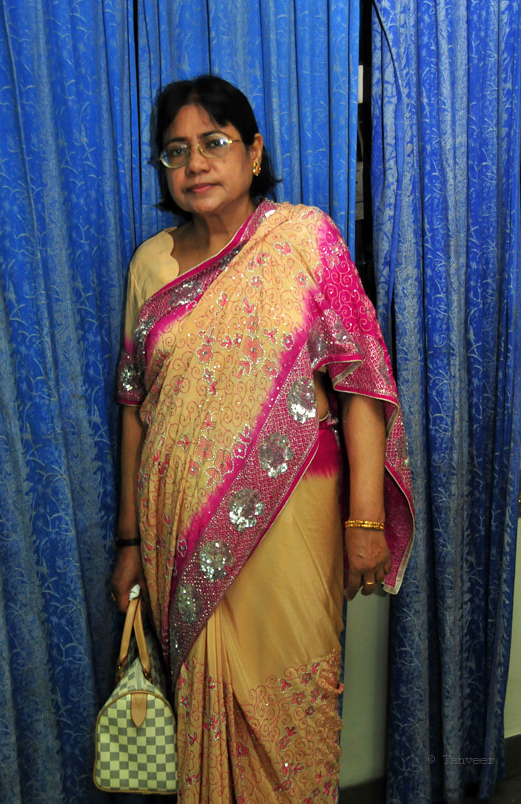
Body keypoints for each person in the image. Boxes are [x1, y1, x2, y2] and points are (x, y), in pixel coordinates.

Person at [111, 74, 414, 803]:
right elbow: (134, 409)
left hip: (291, 526)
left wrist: (366, 522)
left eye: (214, 143)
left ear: (253, 152)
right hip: (178, 530)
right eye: (175, 151)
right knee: (203, 708)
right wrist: (128, 543)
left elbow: (362, 384)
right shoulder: (150, 265)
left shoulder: (305, 239)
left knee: (292, 707)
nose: (195, 164)